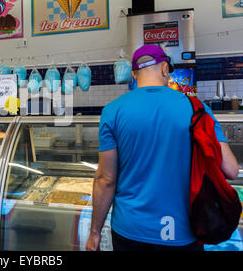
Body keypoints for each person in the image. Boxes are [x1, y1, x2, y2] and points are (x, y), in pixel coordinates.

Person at [86, 44, 239, 251]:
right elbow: (230, 169)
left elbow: (106, 180)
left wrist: (95, 233)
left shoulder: (112, 111)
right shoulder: (198, 109)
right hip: (183, 231)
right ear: (165, 68)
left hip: (130, 230)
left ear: (133, 74)